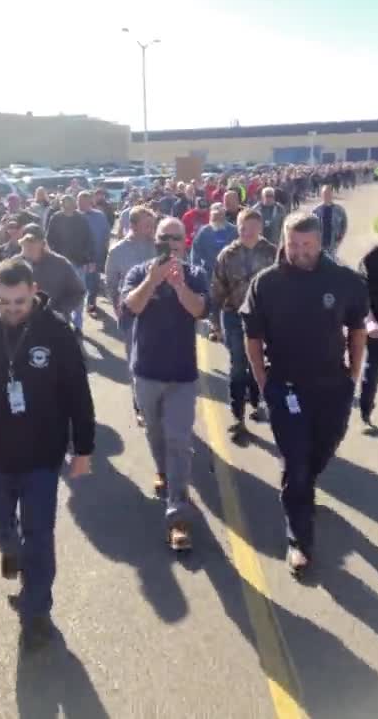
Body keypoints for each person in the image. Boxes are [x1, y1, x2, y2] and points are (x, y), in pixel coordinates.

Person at [0, 258, 95, 650]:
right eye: (5, 301)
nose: (12, 309)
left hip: (42, 455)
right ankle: (12, 549)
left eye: (20, 301)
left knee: (40, 536)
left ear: (33, 292)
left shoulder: (57, 332)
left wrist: (84, 448)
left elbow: (78, 392)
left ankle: (36, 612)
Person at [241, 212, 368, 576]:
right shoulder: (266, 283)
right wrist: (263, 382)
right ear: (284, 240)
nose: (299, 252)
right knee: (295, 462)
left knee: (321, 451)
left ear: (320, 243)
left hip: (333, 388)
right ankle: (299, 539)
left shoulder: (344, 280)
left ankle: (303, 488)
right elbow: (253, 337)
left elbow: (357, 330)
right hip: (286, 388)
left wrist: (353, 376)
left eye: (307, 245)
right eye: (293, 244)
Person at [121, 217, 209, 552]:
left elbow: (200, 310)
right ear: (154, 241)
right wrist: (154, 281)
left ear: (184, 242)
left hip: (182, 376)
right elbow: (132, 306)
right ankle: (164, 472)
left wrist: (178, 286)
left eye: (176, 238)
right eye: (163, 238)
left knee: (178, 438)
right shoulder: (138, 272)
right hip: (146, 372)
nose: (170, 243)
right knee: (155, 433)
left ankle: (178, 515)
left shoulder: (195, 273)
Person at [212, 209, 276, 440]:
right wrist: (214, 323)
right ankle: (237, 414)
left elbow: (282, 286)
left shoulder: (272, 252)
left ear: (259, 228)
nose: (245, 231)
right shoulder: (227, 255)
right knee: (238, 364)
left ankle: (255, 402)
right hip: (234, 316)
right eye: (241, 226)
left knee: (257, 363)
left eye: (249, 227)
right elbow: (217, 289)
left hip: (262, 318)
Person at [105, 206, 156, 421]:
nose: (151, 229)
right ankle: (141, 407)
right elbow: (110, 282)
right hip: (131, 316)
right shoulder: (117, 252)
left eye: (152, 225)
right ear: (133, 226)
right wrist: (117, 306)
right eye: (147, 226)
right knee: (137, 363)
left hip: (158, 314)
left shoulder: (158, 246)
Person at [46, 195, 95, 334]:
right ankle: (63, 322)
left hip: (78, 262)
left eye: (69, 204)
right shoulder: (56, 218)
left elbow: (89, 240)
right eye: (64, 204)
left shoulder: (81, 219)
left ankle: (78, 325)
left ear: (74, 205)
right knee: (60, 294)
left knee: (79, 293)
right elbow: (49, 239)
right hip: (60, 263)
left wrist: (90, 259)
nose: (67, 206)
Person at [191, 203, 238, 341]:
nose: (217, 218)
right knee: (213, 303)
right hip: (210, 274)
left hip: (229, 275)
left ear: (224, 215)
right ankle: (216, 328)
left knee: (228, 302)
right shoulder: (204, 232)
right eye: (215, 216)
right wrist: (197, 270)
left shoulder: (233, 230)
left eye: (220, 215)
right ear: (210, 216)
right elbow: (195, 253)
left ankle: (228, 328)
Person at [18, 225, 85, 321]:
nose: (29, 245)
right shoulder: (14, 265)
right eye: (26, 242)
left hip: (54, 322)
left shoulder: (60, 263)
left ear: (42, 243)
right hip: (22, 322)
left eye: (33, 241)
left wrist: (60, 310)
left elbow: (78, 292)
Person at [359, 239, 378, 429]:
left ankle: (365, 409)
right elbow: (361, 293)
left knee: (373, 366)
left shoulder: (372, 256)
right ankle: (366, 408)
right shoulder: (372, 258)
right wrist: (370, 320)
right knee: (373, 366)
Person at [77, 191, 110, 318]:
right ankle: (78, 307)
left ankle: (91, 305)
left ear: (89, 202)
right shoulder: (74, 216)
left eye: (82, 202)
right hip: (78, 257)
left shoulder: (99, 216)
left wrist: (104, 252)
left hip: (95, 256)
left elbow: (106, 234)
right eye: (78, 201)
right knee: (80, 283)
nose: (80, 204)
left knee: (93, 282)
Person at [312, 185, 348, 259]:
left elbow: (344, 225)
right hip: (319, 242)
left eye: (328, 193)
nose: (326, 196)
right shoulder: (316, 211)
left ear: (332, 194)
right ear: (321, 195)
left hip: (333, 241)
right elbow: (311, 227)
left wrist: (340, 238)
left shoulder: (339, 210)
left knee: (331, 261)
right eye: (324, 194)